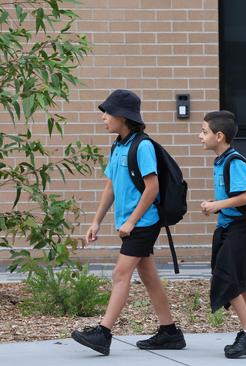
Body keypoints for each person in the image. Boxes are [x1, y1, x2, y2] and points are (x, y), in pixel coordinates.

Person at [71, 89, 186, 355]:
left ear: (123, 116)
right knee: (148, 276)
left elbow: (152, 188)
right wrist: (96, 221)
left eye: (107, 113)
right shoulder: (118, 146)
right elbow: (110, 186)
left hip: (144, 222)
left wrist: (132, 222)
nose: (103, 118)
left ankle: (103, 333)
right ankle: (170, 332)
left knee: (120, 274)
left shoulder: (142, 146)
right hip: (132, 223)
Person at [198, 110, 246, 358]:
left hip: (241, 231)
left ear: (219, 136)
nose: (200, 136)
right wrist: (216, 204)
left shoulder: (234, 161)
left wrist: (217, 206)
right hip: (231, 230)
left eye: (204, 132)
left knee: (227, 280)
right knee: (245, 285)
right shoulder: (221, 161)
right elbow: (234, 197)